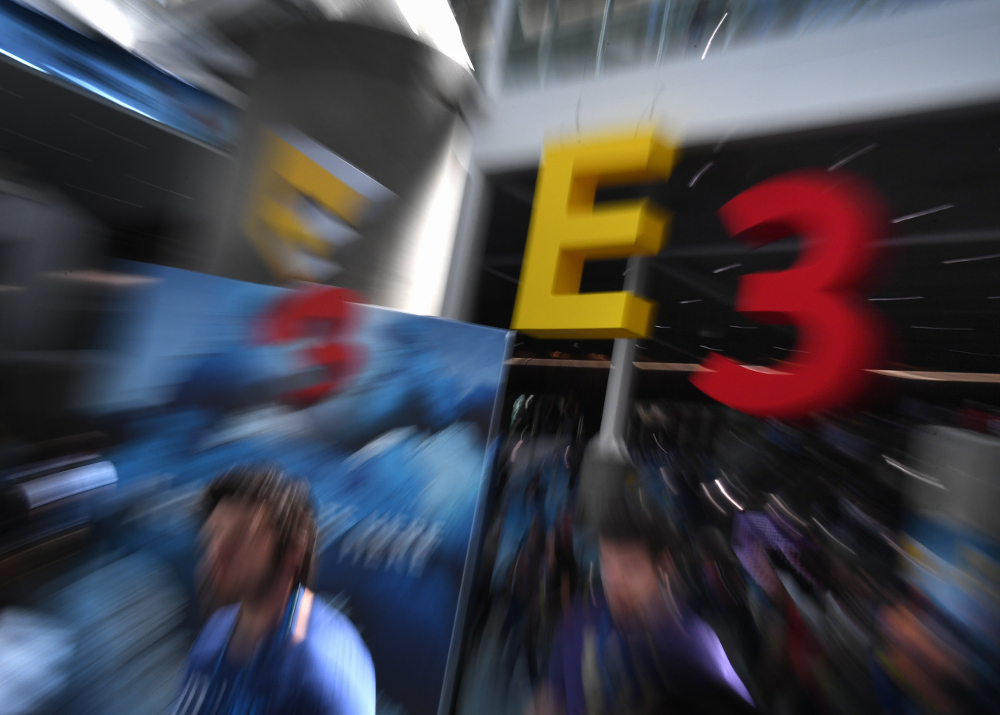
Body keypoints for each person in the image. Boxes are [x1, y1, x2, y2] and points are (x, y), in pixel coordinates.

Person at [530, 477, 752, 715]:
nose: (615, 583)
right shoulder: (580, 619)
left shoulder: (696, 651)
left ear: (663, 566)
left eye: (629, 567)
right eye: (608, 564)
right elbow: (548, 699)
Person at [174, 464, 376, 715]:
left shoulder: (322, 667)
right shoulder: (217, 634)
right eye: (214, 534)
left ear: (293, 548)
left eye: (240, 536)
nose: (217, 552)